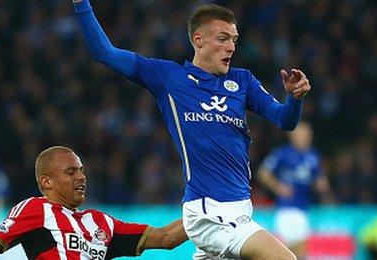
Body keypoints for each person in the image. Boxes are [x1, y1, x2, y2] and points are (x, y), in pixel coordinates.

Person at [72, 1, 311, 259]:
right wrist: (81, 4)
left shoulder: (242, 81)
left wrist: (295, 99)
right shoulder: (169, 77)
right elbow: (104, 53)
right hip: (209, 212)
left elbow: (285, 120)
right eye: (223, 38)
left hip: (240, 208)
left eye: (234, 39)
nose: (231, 46)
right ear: (199, 40)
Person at [0, 146, 187, 259]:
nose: (81, 177)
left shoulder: (101, 222)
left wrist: (211, 213)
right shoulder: (36, 209)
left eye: (81, 171)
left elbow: (166, 238)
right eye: (71, 172)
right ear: (46, 181)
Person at [257, 121, 333, 258]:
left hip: (303, 209)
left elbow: (321, 182)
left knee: (300, 251)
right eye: (302, 133)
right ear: (292, 135)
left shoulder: (313, 156)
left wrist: (322, 184)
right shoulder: (282, 153)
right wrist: (278, 187)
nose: (305, 137)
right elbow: (263, 173)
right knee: (291, 249)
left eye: (308, 134)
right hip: (286, 209)